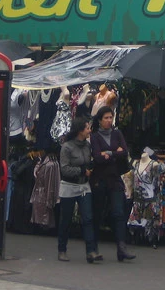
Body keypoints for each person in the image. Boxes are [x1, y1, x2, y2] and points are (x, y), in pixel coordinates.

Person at [90, 105, 135, 262]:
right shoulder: (95, 136)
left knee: (118, 212)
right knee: (97, 213)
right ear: (100, 120)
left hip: (115, 179)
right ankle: (93, 248)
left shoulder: (117, 133)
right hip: (99, 179)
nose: (109, 120)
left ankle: (121, 248)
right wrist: (115, 153)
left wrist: (109, 154)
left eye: (111, 117)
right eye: (106, 118)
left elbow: (125, 152)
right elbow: (97, 157)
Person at [58, 116, 101, 263]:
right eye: (87, 128)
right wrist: (82, 171)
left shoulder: (88, 146)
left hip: (84, 186)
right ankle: (62, 249)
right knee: (66, 219)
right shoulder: (67, 147)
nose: (90, 130)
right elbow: (64, 169)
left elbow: (89, 161)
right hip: (69, 186)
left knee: (88, 218)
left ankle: (91, 251)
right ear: (80, 130)